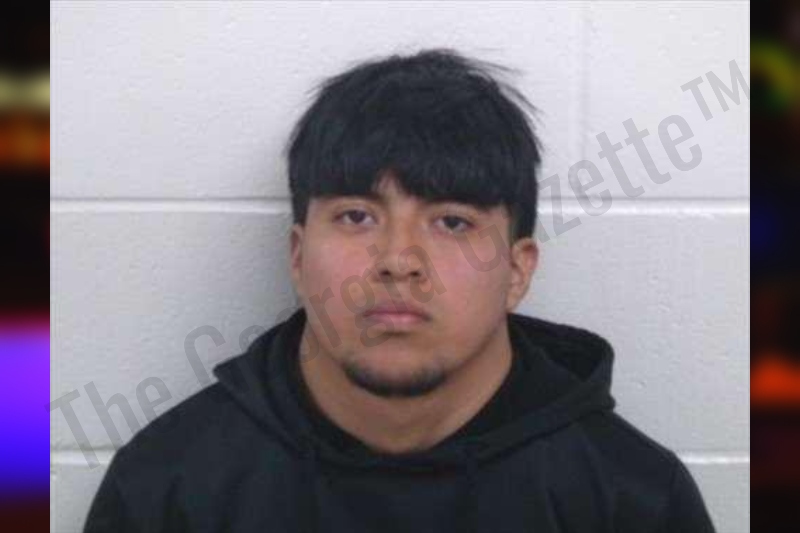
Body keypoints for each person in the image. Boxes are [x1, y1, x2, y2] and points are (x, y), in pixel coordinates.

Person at [84, 48, 717, 533]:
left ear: (518, 271)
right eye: (357, 216)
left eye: (453, 222)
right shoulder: (166, 488)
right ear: (298, 256)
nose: (398, 261)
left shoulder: (633, 501)